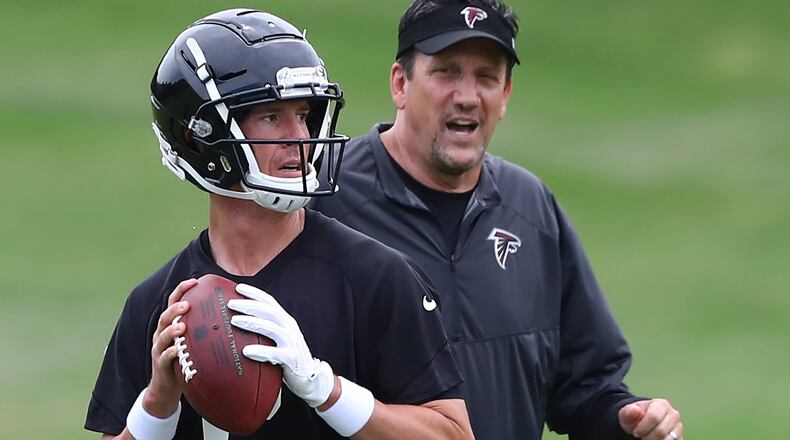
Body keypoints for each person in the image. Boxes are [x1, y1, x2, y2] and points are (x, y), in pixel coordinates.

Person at [84, 8, 475, 440]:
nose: (300, 137)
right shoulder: (160, 303)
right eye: (272, 117)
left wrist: (326, 389)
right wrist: (157, 404)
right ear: (201, 136)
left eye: (303, 115)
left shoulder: (377, 278)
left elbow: (453, 434)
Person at [310, 1, 684, 439]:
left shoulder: (531, 210)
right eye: (446, 72)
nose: (467, 96)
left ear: (505, 95)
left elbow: (587, 386)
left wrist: (628, 418)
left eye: (487, 77)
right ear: (400, 84)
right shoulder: (324, 198)